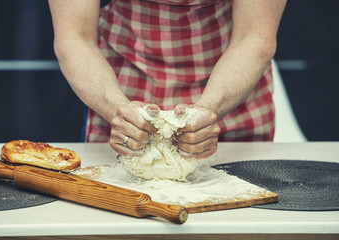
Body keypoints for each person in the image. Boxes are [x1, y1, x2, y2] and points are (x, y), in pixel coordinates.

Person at [49, 0, 286, 159]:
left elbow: (254, 37)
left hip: (232, 90)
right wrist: (117, 109)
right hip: (121, 91)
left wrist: (210, 107)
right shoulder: (119, 110)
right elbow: (74, 38)